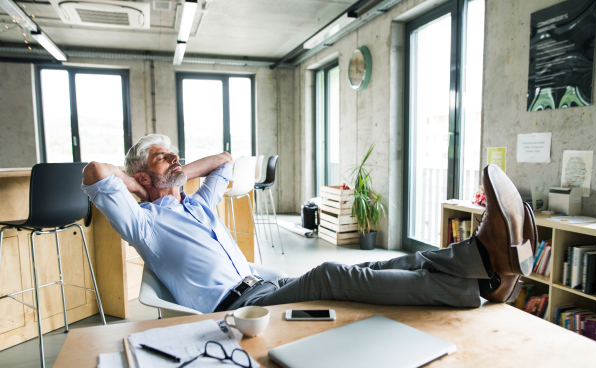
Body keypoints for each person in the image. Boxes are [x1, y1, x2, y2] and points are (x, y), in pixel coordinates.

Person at [82, 134, 536, 314]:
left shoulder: (196, 205)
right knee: (330, 272)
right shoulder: (144, 225)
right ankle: (480, 271)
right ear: (141, 176)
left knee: (380, 266)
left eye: (174, 151)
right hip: (237, 310)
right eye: (165, 156)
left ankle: (484, 272)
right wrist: (145, 187)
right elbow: (96, 172)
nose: (177, 158)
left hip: (259, 282)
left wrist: (176, 173)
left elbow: (224, 160)